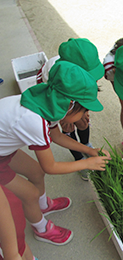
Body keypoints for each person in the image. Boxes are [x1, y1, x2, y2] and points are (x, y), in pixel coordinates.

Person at [0, 61, 110, 245]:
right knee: (30, 194)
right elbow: (51, 166)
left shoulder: (48, 101)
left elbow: (57, 136)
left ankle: (43, 206)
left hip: (4, 148)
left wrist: (89, 151)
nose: (85, 115)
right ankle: (41, 229)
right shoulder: (34, 121)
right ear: (70, 104)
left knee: (36, 172)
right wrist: (86, 163)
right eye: (84, 110)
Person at [37, 38, 105, 180]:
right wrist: (62, 117)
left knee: (83, 122)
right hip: (58, 97)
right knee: (68, 126)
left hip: (74, 97)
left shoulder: (85, 74)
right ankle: (79, 159)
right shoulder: (53, 74)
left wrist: (84, 111)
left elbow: (88, 92)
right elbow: (56, 135)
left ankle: (86, 145)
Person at [0, 185, 38, 260]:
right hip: (8, 217)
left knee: (17, 248)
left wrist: (12, 255)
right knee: (19, 246)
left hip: (6, 220)